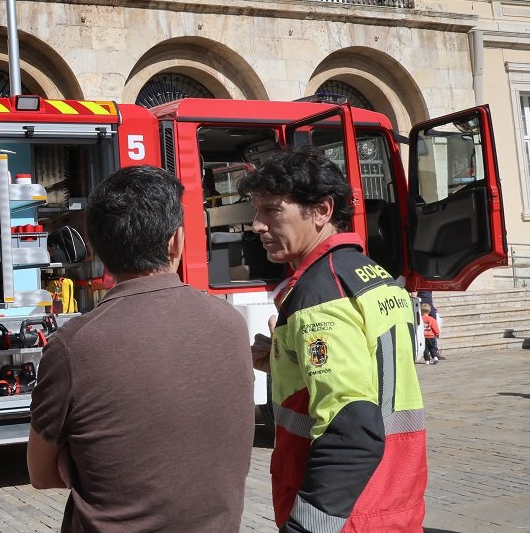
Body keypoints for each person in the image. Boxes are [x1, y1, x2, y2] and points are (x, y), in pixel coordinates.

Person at [27, 166, 255, 532]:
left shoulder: (73, 345)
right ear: (176, 241)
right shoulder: (230, 322)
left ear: (97, 248)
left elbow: (41, 474)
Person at [240, 147, 427, 533]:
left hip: (346, 514)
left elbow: (351, 427)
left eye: (272, 210)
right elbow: (368, 371)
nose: (257, 225)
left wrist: (306, 527)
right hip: (393, 495)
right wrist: (282, 357)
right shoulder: (369, 273)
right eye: (256, 211)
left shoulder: (321, 292)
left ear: (322, 211)